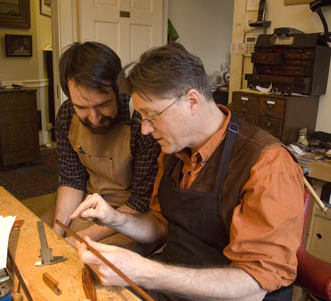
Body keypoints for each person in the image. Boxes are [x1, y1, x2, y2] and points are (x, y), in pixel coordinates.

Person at [68, 43, 304, 301]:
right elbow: (161, 226)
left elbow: (254, 285)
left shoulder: (268, 165)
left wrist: (146, 271)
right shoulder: (174, 150)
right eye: (141, 117)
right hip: (177, 286)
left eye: (151, 116)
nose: (145, 129)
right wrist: (115, 218)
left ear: (192, 101)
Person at [52, 42, 160, 247]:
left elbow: (140, 200)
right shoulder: (67, 113)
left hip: (131, 215)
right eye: (82, 107)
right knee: (45, 241)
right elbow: (72, 178)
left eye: (103, 105)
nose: (94, 118)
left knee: (91, 262)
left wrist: (81, 239)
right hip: (88, 202)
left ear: (119, 89)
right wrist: (58, 231)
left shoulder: (141, 120)